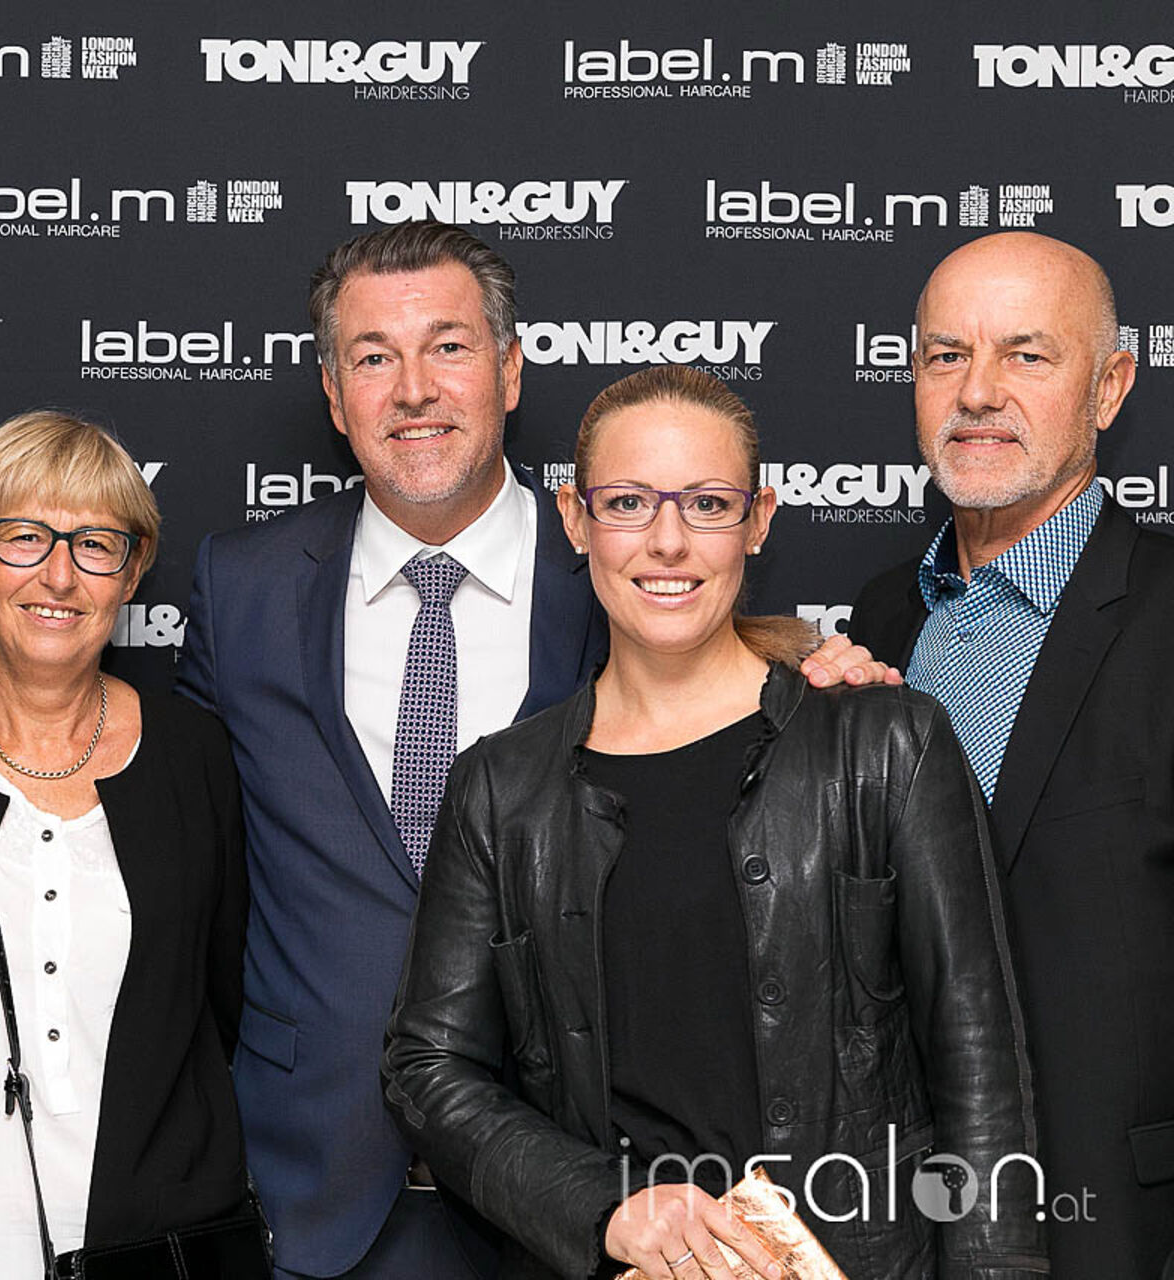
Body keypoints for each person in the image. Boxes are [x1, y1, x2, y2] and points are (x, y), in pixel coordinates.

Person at [177, 219, 888, 1279]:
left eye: (449, 346)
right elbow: (188, 854)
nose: (414, 389)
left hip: (579, 1187)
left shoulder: (621, 562)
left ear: (510, 370)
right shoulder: (243, 588)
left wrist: (818, 671)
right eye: (373, 357)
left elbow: (727, 687)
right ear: (332, 393)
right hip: (316, 1185)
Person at [383, 365, 1046, 1280]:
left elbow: (980, 1071)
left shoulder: (886, 742)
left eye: (706, 504)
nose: (668, 542)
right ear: (576, 519)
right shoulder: (500, 790)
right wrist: (606, 1205)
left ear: (758, 520)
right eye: (628, 503)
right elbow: (428, 1066)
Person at [0, 411, 251, 1278]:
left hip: (153, 1251)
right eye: (25, 537)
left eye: (96, 544)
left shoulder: (195, 756)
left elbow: (219, 1004)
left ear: (132, 572)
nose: (59, 577)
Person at [849, 231, 1174, 1277]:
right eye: (947, 355)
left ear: (1109, 387)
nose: (978, 391)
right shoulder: (882, 617)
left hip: (1116, 1226)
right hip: (890, 1213)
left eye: (1026, 355)